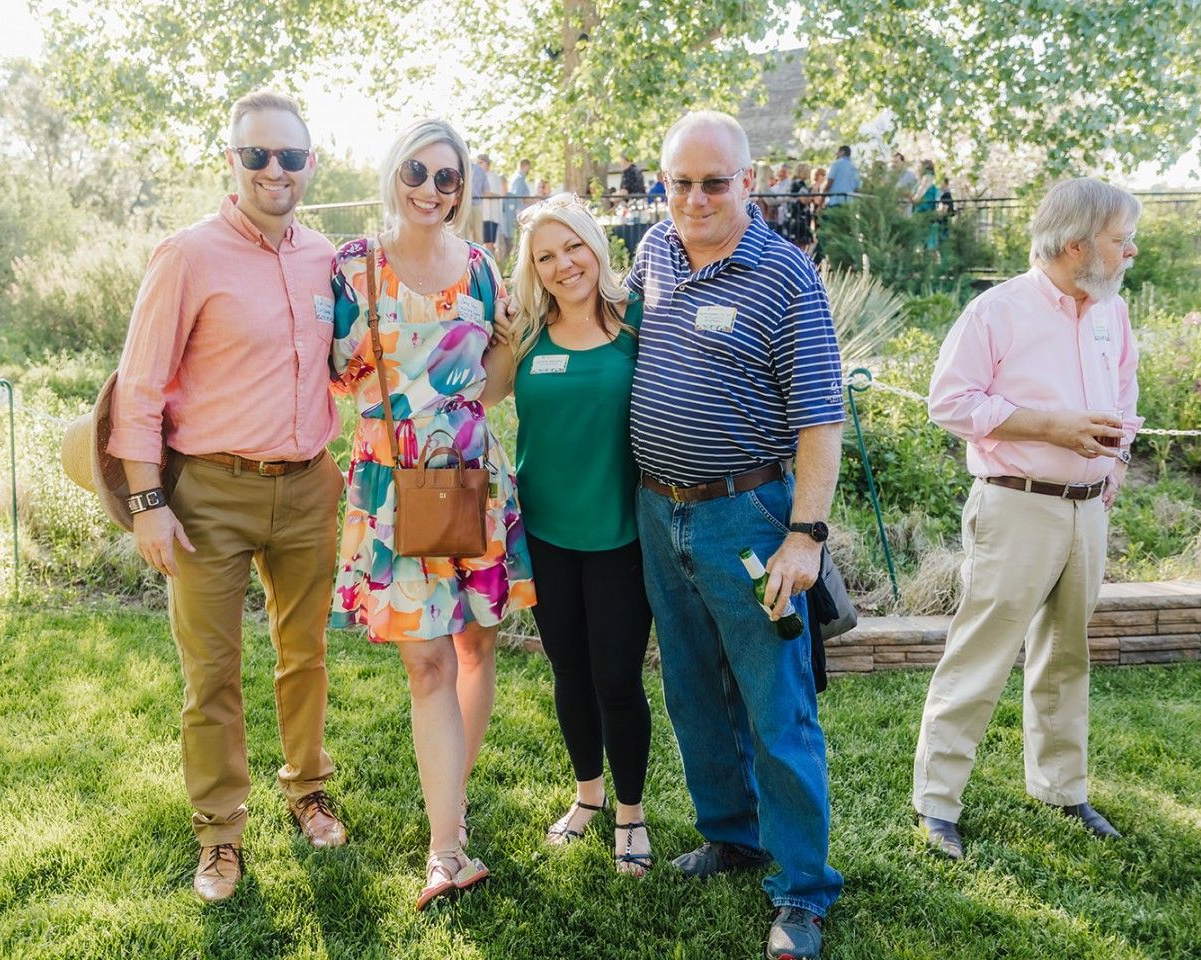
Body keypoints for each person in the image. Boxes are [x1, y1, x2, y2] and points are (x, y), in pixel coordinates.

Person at [107, 90, 347, 903]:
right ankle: (219, 833)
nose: (273, 170)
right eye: (257, 156)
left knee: (304, 654)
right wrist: (147, 501)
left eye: (289, 156)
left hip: (310, 487)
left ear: (310, 163)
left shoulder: (327, 259)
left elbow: (349, 361)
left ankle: (307, 785)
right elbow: (138, 387)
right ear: (232, 162)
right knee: (210, 671)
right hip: (207, 492)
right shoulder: (187, 255)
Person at [630, 110, 845, 960]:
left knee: (774, 705)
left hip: (749, 518)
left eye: (712, 181)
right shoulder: (653, 251)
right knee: (689, 688)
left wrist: (806, 536)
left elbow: (821, 423)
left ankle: (802, 891)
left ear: (747, 182)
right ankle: (732, 834)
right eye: (677, 181)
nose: (693, 198)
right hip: (657, 511)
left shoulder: (785, 276)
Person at [329, 118, 536, 909]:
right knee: (428, 663)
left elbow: (489, 385)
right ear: (393, 172)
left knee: (478, 646)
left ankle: (449, 794)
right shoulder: (356, 268)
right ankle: (446, 851)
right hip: (391, 485)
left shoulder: (482, 268)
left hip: (470, 478)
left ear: (461, 190)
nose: (429, 189)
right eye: (417, 171)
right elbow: (331, 373)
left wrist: (510, 344)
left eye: (447, 178)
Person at [914, 177, 1142, 860]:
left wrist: (1114, 465)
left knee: (1066, 657)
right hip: (1014, 504)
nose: (1129, 251)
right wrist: (1051, 429)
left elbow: (1124, 390)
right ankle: (935, 804)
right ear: (1075, 243)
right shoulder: (996, 311)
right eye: (1118, 238)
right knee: (979, 655)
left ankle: (1061, 789)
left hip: (1087, 510)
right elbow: (949, 403)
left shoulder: (1111, 311)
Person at [481, 193, 655, 876]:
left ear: (594, 245)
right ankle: (587, 796)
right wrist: (497, 328)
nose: (562, 265)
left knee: (616, 677)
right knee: (569, 671)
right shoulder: (527, 333)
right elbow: (484, 395)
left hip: (619, 532)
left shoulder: (639, 323)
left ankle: (632, 813)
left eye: (572, 247)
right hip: (546, 533)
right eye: (545, 257)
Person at [500, 158, 533, 264]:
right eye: (529, 167)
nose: (529, 170)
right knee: (516, 244)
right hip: (518, 215)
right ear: (525, 166)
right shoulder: (519, 179)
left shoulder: (517, 178)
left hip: (516, 215)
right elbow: (519, 198)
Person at [478, 153, 504, 255]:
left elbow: (493, 193)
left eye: (481, 162)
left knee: (489, 244)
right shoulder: (491, 176)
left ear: (487, 163)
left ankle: (490, 266)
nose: (478, 165)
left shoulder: (490, 177)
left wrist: (478, 192)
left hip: (489, 216)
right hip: (489, 216)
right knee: (489, 243)